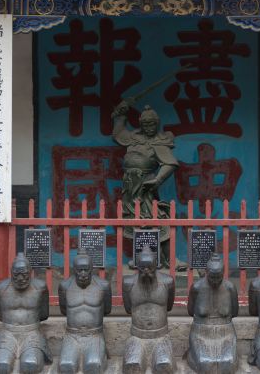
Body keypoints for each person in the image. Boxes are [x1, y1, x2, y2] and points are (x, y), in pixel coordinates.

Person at [112, 102, 186, 270]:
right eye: (145, 124)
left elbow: (170, 163)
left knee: (158, 219)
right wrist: (120, 115)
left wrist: (158, 180)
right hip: (130, 186)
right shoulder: (134, 138)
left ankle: (168, 259)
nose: (149, 127)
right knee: (134, 220)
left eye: (152, 123)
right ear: (140, 124)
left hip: (146, 186)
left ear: (157, 123)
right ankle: (141, 257)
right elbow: (118, 134)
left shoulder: (160, 141)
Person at [0, 253, 52, 374]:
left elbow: (44, 314)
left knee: (31, 365)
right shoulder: (2, 288)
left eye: (24, 274)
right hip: (8, 333)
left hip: (32, 333)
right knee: (0, 366)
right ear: (11, 272)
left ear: (30, 272)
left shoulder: (40, 287)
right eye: (16, 274)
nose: (20, 279)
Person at [122, 244, 176, 373]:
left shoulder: (167, 282)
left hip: (161, 335)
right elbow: (128, 309)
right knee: (132, 365)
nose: (146, 271)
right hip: (137, 336)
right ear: (137, 267)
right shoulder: (128, 283)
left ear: (156, 265)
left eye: (150, 268)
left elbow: (168, 307)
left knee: (164, 366)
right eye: (143, 268)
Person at [58, 249, 112, 374]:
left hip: (94, 335)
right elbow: (64, 310)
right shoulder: (65, 286)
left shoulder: (103, 286)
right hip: (72, 335)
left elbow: (107, 310)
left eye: (86, 270)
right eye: (79, 270)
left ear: (92, 269)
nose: (83, 274)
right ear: (74, 269)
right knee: (66, 366)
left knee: (93, 365)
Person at [187, 253, 239, 373]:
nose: (215, 281)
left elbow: (235, 313)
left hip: (226, 333)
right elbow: (190, 311)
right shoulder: (196, 288)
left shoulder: (230, 288)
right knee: (204, 363)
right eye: (212, 277)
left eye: (218, 277)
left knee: (228, 363)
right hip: (201, 333)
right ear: (206, 272)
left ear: (223, 273)